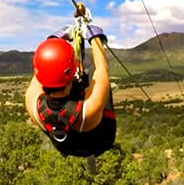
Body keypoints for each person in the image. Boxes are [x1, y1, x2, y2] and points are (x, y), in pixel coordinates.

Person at [24, 24, 116, 158]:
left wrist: (52, 41)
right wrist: (95, 37)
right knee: (96, 80)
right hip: (99, 143)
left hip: (67, 147)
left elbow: (43, 68)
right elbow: (102, 69)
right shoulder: (88, 110)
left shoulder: (32, 104)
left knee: (93, 84)